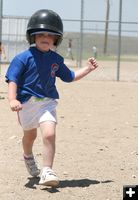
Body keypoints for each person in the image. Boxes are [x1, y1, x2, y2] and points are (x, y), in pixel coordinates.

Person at [5, 9, 98, 188]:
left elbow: (70, 76)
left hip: (47, 103)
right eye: (40, 33)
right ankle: (28, 156)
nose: (45, 36)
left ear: (56, 39)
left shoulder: (56, 59)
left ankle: (47, 170)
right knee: (29, 136)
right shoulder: (22, 58)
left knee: (49, 133)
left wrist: (87, 69)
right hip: (26, 105)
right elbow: (13, 80)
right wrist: (12, 100)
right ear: (32, 36)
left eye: (50, 34)